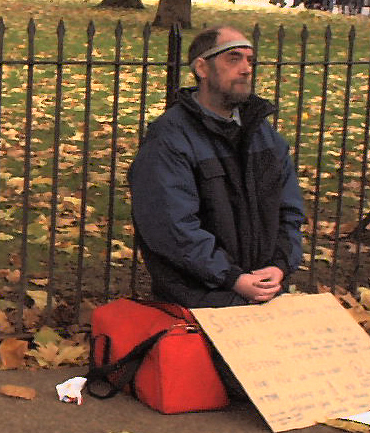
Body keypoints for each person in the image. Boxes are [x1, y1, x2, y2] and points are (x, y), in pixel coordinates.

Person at [128, 27, 305, 309]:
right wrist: (232, 278)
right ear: (202, 67)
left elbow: (290, 211)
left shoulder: (264, 135)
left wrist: (280, 266)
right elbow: (172, 227)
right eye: (233, 59)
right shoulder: (171, 138)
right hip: (198, 298)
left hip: (267, 293)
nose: (246, 69)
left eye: (250, 60)